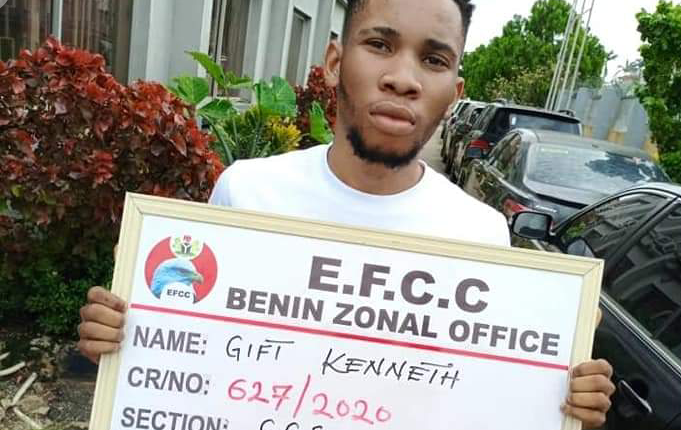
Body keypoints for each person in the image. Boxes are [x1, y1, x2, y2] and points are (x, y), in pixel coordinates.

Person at [77, 0, 615, 428]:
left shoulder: (481, 237)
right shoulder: (248, 192)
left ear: (455, 93)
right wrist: (128, 339)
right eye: (380, 44)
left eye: (433, 60)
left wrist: (560, 402)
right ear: (335, 62)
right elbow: (191, 353)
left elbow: (484, 401)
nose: (403, 78)